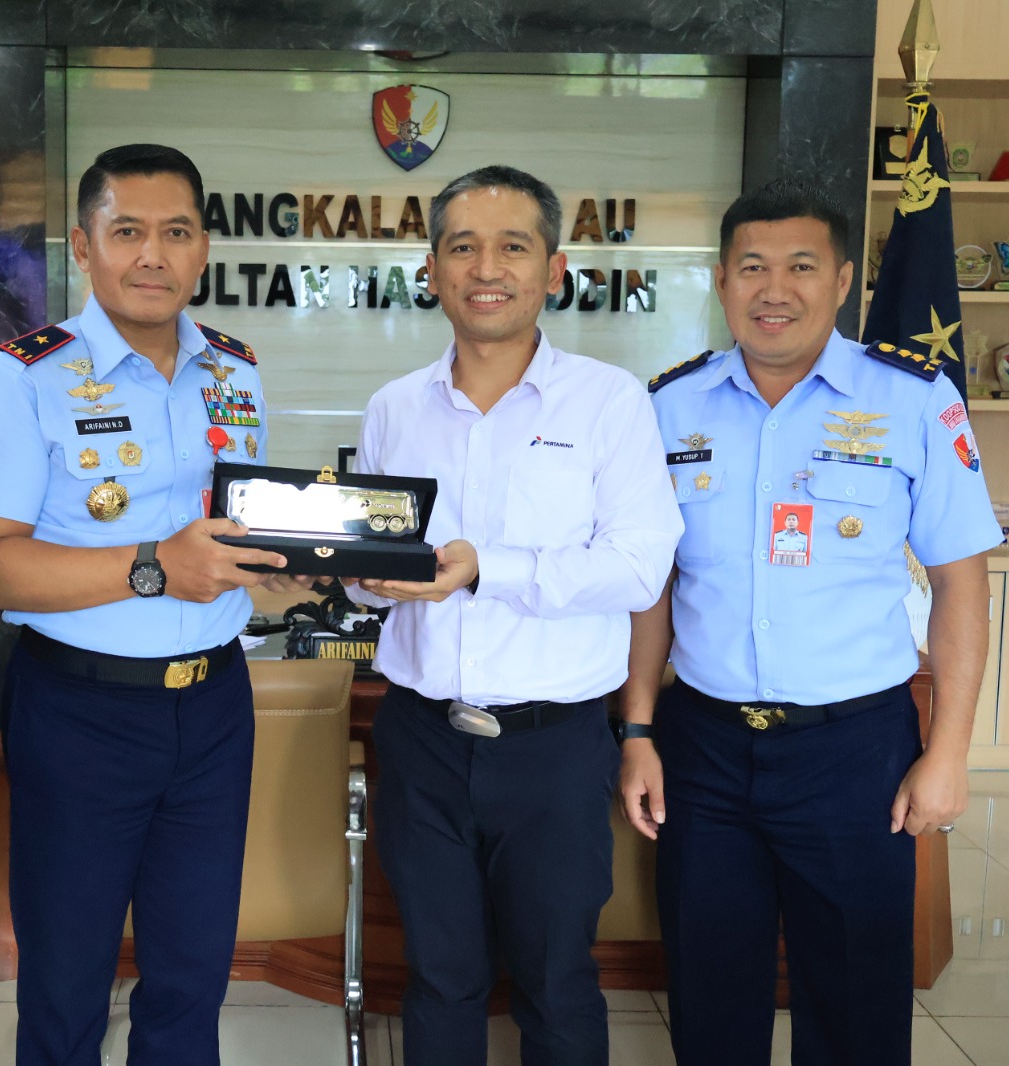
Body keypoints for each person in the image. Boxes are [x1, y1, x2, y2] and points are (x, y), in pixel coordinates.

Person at [618, 177, 1002, 1066]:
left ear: (842, 281)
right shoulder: (668, 407)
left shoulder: (915, 400)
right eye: (752, 266)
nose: (774, 289)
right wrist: (637, 729)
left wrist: (949, 751)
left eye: (800, 266)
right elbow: (652, 587)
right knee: (710, 998)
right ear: (721, 281)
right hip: (704, 751)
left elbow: (962, 585)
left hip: (854, 751)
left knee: (857, 1005)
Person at [0, 143, 304, 1066]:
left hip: (215, 706)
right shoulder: (22, 380)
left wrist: (277, 563)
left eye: (177, 232)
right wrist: (156, 568)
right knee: (67, 982)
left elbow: (226, 529)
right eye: (128, 232)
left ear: (204, 250)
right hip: (83, 712)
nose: (153, 255)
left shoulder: (233, 369)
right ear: (84, 247)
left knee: (192, 979)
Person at [346, 165, 683, 1066]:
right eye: (462, 247)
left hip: (554, 748)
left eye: (512, 247)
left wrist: (486, 570)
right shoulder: (393, 408)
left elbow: (639, 566)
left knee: (556, 979)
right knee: (438, 977)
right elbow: (372, 570)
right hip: (421, 739)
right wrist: (361, 577)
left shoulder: (610, 402)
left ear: (554, 269)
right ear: (431, 270)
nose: (486, 268)